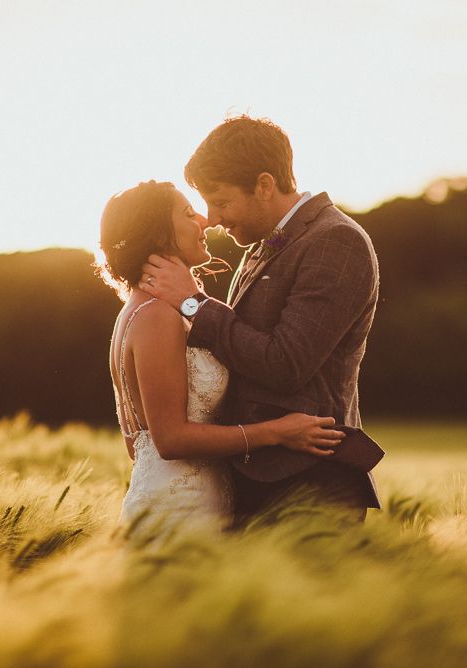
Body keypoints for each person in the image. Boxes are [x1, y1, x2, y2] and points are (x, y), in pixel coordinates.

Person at [139, 116, 382, 527]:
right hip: (254, 477)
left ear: (264, 185)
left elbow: (286, 363)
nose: (211, 218)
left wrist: (194, 304)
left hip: (310, 482)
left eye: (220, 200)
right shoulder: (262, 245)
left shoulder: (337, 241)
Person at [98, 180, 346, 537]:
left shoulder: (141, 310)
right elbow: (168, 440)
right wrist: (277, 432)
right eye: (187, 212)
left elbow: (139, 445)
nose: (203, 219)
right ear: (157, 236)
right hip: (180, 514)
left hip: (185, 501)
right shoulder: (157, 316)